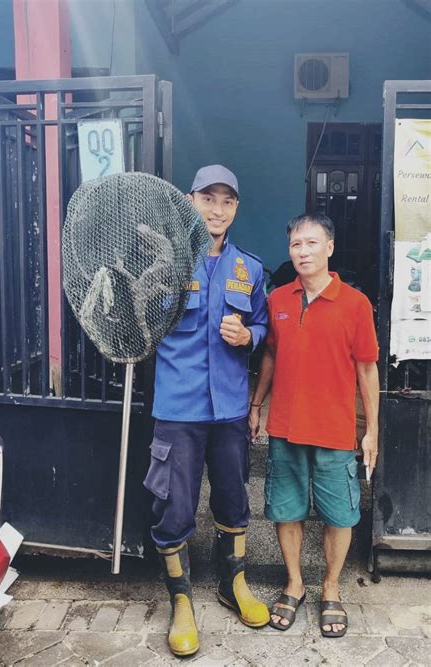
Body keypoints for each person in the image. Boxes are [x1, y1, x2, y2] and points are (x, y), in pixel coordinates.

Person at [144, 165, 270, 656]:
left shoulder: (250, 268)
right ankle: (181, 602)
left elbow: (261, 325)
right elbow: (141, 321)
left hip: (230, 408)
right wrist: (150, 280)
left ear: (236, 208)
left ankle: (232, 585)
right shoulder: (168, 263)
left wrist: (250, 336)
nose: (217, 209)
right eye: (208, 198)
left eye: (227, 201)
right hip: (178, 407)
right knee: (173, 506)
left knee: (234, 499)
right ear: (190, 201)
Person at [249, 213, 379, 638]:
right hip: (285, 426)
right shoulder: (278, 300)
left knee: (340, 515)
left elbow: (367, 369)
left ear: (329, 247)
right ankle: (294, 582)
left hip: (335, 429)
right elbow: (269, 354)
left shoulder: (355, 304)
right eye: (295, 245)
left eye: (311, 243)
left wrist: (371, 429)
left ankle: (331, 587)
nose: (302, 252)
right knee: (286, 510)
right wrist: (257, 404)